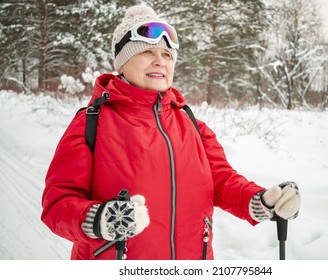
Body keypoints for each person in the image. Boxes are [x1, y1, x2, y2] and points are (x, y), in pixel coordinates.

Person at [41, 4, 300, 260]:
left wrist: (261, 202)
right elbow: (57, 204)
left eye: (167, 55)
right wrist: (100, 220)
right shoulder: (91, 124)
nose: (159, 61)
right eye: (147, 52)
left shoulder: (193, 126)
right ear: (122, 63)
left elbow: (223, 181)